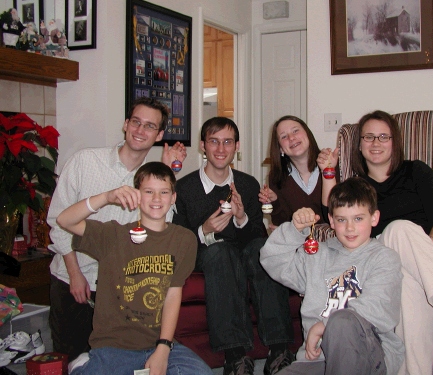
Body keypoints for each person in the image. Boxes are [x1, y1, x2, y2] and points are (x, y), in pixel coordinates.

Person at [319, 110, 433, 375]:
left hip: (432, 251)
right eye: (369, 137)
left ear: (395, 142)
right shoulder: (356, 185)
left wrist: (420, 248)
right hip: (379, 260)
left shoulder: (417, 171)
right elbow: (331, 214)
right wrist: (327, 171)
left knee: (403, 246)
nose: (376, 143)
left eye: (383, 136)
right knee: (399, 248)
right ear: (359, 144)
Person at [47, 97, 187, 362]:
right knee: (71, 360)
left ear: (158, 135)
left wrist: (168, 171)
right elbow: (58, 220)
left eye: (149, 126)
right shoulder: (84, 162)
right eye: (136, 122)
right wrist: (75, 274)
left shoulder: (151, 180)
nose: (140, 130)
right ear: (125, 124)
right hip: (73, 278)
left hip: (121, 291)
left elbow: (157, 230)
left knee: (113, 363)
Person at [56, 162, 212, 375]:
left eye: (164, 192)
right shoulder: (114, 235)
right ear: (137, 195)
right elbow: (64, 220)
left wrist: (164, 347)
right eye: (148, 192)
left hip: (160, 344)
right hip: (114, 346)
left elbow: (173, 295)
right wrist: (107, 197)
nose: (156, 199)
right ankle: (85, 364)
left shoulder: (184, 239)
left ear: (173, 197)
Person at [172, 117, 295, 375]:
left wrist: (241, 218)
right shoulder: (183, 188)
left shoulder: (247, 184)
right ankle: (235, 356)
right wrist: (204, 230)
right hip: (206, 254)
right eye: (214, 141)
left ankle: (280, 349)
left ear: (236, 146)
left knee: (264, 250)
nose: (220, 149)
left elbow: (254, 238)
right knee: (221, 251)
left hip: (242, 249)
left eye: (227, 142)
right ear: (203, 146)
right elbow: (177, 242)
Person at [261, 177, 404, 375]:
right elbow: (271, 261)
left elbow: (377, 307)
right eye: (341, 220)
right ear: (331, 221)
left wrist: (323, 326)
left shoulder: (384, 258)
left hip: (368, 357)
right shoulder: (318, 256)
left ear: (374, 217)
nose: (350, 228)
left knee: (343, 322)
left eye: (358, 218)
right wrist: (295, 229)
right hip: (315, 360)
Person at [258, 115, 337, 229]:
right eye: (284, 136)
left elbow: (338, 215)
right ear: (280, 148)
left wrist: (329, 171)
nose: (291, 138)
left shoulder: (332, 165)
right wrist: (275, 202)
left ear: (307, 134)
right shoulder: (277, 177)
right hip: (298, 244)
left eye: (295, 131)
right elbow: (281, 226)